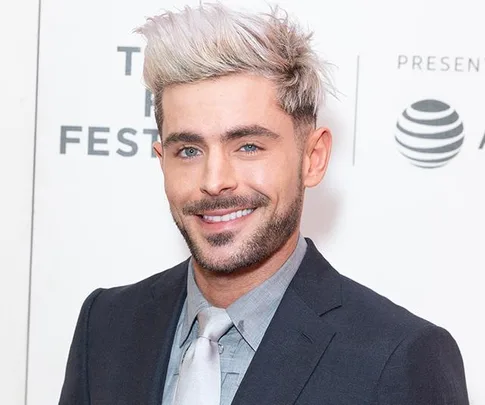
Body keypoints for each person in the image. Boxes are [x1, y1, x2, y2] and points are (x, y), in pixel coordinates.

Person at [59, 3, 469, 405]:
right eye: (188, 150)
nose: (215, 181)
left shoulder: (400, 357)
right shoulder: (107, 325)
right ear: (161, 159)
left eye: (249, 146)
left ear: (313, 158)